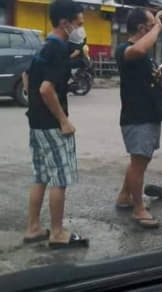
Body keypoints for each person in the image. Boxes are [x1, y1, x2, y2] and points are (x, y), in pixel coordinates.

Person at [23, 0, 88, 249]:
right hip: (52, 125)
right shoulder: (58, 48)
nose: (81, 29)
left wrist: (36, 108)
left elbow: (27, 77)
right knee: (58, 179)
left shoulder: (44, 46)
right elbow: (46, 88)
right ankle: (58, 232)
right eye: (79, 23)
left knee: (40, 176)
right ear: (66, 23)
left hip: (36, 123)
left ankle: (33, 228)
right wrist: (63, 121)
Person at [114, 8, 162, 228]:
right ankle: (138, 210)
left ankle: (124, 196)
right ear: (141, 28)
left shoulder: (145, 55)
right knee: (138, 163)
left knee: (139, 161)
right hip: (138, 117)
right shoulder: (125, 49)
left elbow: (154, 79)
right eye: (150, 25)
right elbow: (138, 49)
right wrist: (157, 27)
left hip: (148, 115)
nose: (155, 29)